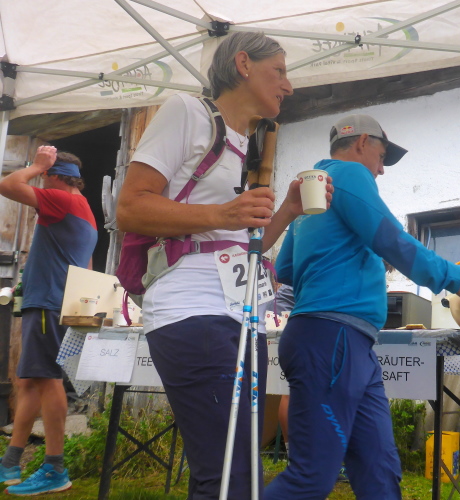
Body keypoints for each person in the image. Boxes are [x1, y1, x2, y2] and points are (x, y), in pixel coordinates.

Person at [116, 32, 331, 499]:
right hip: (191, 309)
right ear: (243, 64)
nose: (289, 85)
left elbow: (239, 245)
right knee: (226, 472)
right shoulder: (187, 112)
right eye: (280, 71)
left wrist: (287, 211)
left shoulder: (248, 144)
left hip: (241, 315)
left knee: (243, 465)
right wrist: (222, 213)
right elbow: (129, 208)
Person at [264, 114, 460, 500]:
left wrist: (351, 250)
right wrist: (454, 277)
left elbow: (285, 268)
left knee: (379, 468)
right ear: (361, 143)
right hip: (331, 338)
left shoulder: (313, 193)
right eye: (382, 157)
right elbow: (390, 237)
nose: (382, 170)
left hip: (347, 341)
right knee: (312, 476)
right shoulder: (349, 174)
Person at [0, 147, 97, 495]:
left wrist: (37, 164)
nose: (40, 181)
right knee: (30, 382)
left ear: (55, 176)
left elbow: (8, 185)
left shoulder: (62, 200)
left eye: (44, 175)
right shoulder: (83, 207)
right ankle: (10, 464)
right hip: (51, 303)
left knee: (47, 379)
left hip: (47, 304)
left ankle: (55, 468)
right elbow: (86, 265)